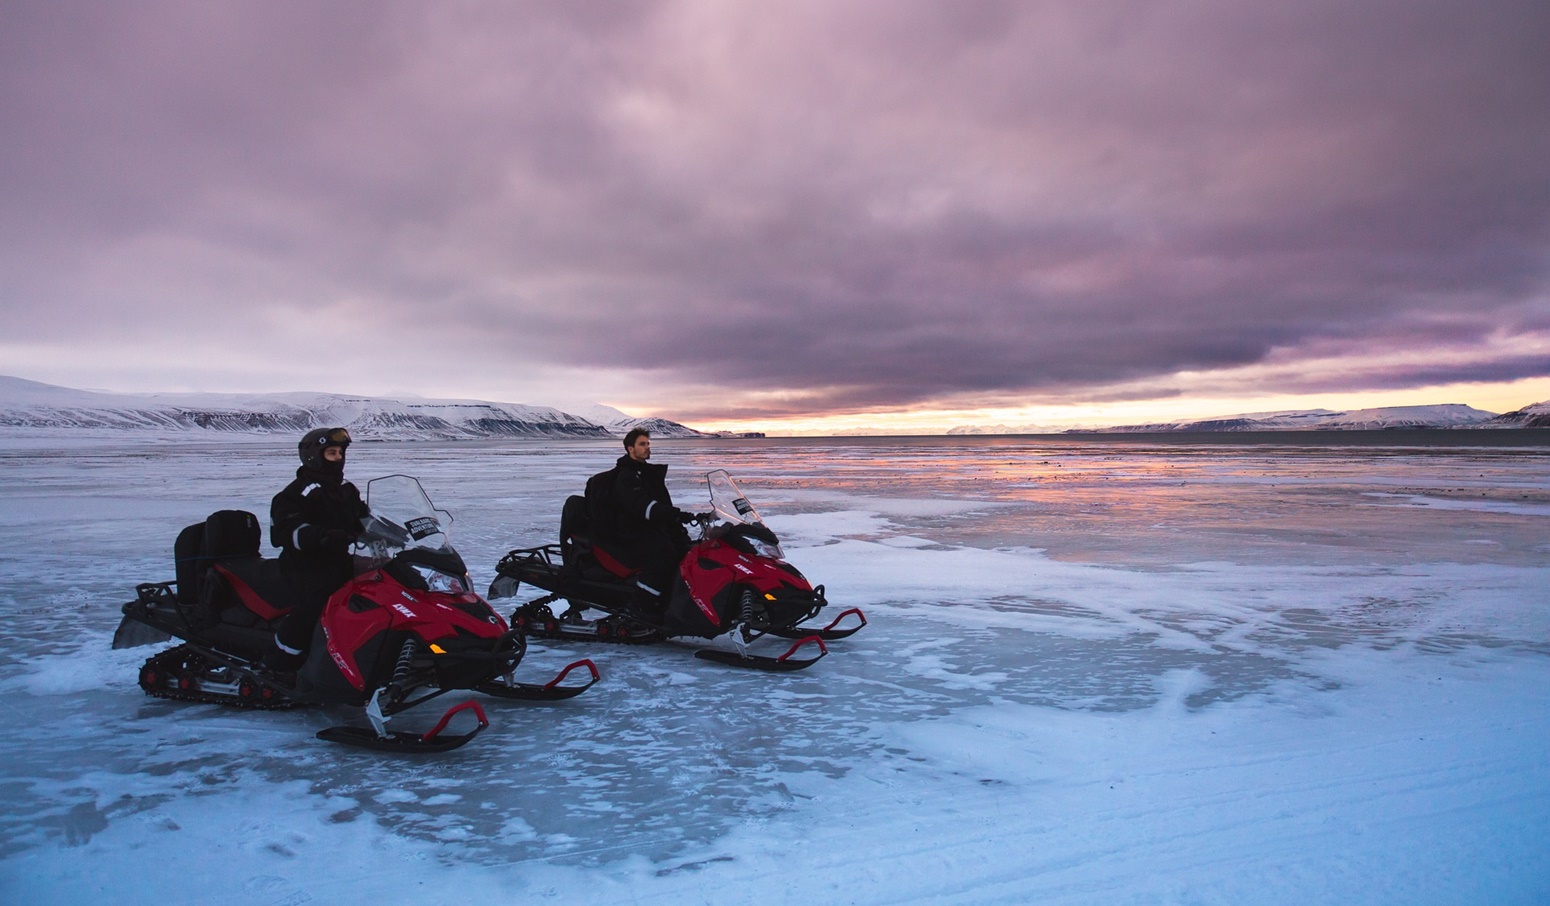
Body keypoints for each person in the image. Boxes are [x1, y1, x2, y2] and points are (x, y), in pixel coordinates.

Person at [263, 427, 369, 671]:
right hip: (304, 565)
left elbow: (363, 517)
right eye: (332, 453)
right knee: (321, 600)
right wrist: (321, 536)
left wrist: (392, 531)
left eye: (340, 453)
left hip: (340, 561)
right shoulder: (296, 493)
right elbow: (284, 532)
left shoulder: (346, 490)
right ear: (314, 457)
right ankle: (281, 662)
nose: (338, 459)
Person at [588, 428, 699, 611]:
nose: (647, 447)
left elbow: (658, 503)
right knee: (664, 556)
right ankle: (641, 605)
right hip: (628, 531)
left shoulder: (645, 473)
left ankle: (677, 601)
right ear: (630, 448)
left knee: (686, 548)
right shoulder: (626, 476)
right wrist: (676, 514)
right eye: (642, 444)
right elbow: (641, 506)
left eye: (648, 444)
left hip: (646, 527)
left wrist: (681, 518)